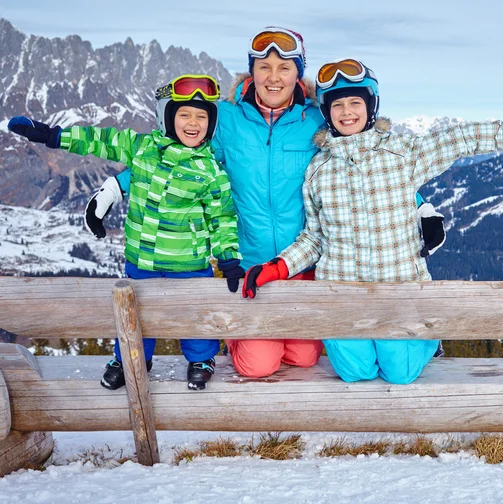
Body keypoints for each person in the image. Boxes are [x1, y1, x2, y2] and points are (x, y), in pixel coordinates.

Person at [84, 28, 446, 378]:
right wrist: (117, 187)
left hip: (301, 264)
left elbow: (365, 168)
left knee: (304, 358)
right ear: (251, 71)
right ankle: (243, 337)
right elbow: (175, 157)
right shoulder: (225, 119)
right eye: (264, 67)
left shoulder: (317, 120)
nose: (274, 77)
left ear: (297, 74)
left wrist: (419, 207)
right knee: (258, 365)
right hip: (250, 265)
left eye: (284, 68)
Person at [242, 58, 503, 384]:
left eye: (355, 103)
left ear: (371, 107)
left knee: (400, 373)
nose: (347, 112)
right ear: (327, 113)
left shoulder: (402, 153)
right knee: (354, 372)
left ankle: (427, 342)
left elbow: (463, 139)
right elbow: (314, 238)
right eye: (337, 105)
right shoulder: (318, 170)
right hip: (341, 293)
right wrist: (277, 268)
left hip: (399, 288)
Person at [8, 74, 245, 391]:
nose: (193, 123)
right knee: (134, 314)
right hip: (140, 261)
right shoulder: (142, 149)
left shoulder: (210, 171)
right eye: (184, 114)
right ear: (167, 117)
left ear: (211, 122)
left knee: (194, 313)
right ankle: (131, 358)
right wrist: (54, 136)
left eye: (202, 116)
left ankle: (201, 358)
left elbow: (223, 216)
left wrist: (228, 256)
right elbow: (101, 140)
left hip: (189, 264)